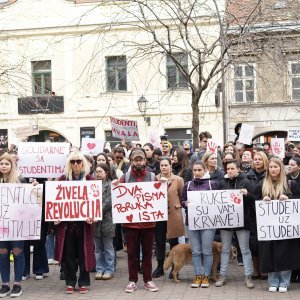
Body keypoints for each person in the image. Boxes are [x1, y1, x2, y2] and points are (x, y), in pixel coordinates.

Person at [255, 158, 300, 292]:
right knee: (269, 255)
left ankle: (284, 282)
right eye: (271, 167)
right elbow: (254, 203)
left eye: (276, 167)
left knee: (285, 254)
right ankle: (273, 282)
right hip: (269, 228)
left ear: (281, 169)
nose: (273, 169)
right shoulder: (261, 185)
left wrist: (289, 199)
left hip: (285, 229)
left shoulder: (290, 185)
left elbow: (298, 202)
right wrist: (262, 200)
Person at [117, 149, 158, 293]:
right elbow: (118, 196)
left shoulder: (153, 177)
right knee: (132, 254)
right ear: (132, 161)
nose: (138, 162)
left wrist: (165, 185)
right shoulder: (125, 177)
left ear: (145, 161)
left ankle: (148, 280)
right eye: (136, 159)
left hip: (148, 223)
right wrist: (116, 186)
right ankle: (132, 280)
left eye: (141, 159)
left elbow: (159, 197)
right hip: (131, 224)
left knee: (147, 253)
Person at [54, 151, 95, 294]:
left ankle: (84, 281)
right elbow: (55, 201)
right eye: (73, 161)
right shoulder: (62, 179)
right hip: (67, 225)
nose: (76, 164)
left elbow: (94, 202)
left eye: (78, 161)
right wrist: (56, 216)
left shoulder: (89, 179)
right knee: (69, 254)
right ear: (69, 164)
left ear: (83, 163)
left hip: (84, 224)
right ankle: (70, 281)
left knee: (84, 253)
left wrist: (93, 216)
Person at [215, 160, 255, 289]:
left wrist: (247, 194)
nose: (230, 171)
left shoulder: (246, 182)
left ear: (238, 169)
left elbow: (253, 201)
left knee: (245, 249)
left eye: (232, 168)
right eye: (228, 169)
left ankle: (248, 276)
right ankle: (222, 275)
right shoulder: (222, 183)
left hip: (242, 221)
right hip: (226, 222)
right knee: (225, 249)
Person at [181, 161, 218, 288]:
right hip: (192, 222)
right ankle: (198, 276)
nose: (196, 173)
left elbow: (218, 201)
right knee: (196, 251)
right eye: (194, 170)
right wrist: (185, 204)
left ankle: (206, 276)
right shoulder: (187, 184)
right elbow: (182, 200)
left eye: (199, 170)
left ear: (204, 170)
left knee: (207, 250)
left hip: (208, 223)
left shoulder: (212, 184)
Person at [152, 157, 185, 279]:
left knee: (173, 242)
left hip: (173, 215)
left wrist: (177, 205)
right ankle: (160, 267)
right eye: (162, 165)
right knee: (159, 242)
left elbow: (182, 196)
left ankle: (174, 269)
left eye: (166, 165)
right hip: (159, 215)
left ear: (171, 166)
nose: (164, 167)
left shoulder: (178, 180)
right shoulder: (154, 179)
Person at [0, 153, 27, 297]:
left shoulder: (20, 180)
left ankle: (17, 284)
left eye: (6, 164)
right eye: (2, 163)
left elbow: (29, 199)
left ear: (12, 165)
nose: (4, 166)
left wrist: (34, 187)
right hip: (1, 226)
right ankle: (5, 284)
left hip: (17, 225)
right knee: (3, 254)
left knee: (18, 253)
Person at [247, 151, 269, 280]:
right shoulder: (247, 176)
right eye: (255, 159)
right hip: (252, 214)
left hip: (267, 213)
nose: (257, 161)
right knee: (254, 243)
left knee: (265, 243)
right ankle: (256, 269)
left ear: (264, 160)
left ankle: (264, 269)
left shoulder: (270, 175)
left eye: (260, 159)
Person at [93, 163, 115, 280]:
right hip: (95, 222)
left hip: (107, 220)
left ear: (106, 172)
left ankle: (109, 269)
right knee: (97, 248)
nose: (98, 174)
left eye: (100, 171)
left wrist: (96, 211)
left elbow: (108, 202)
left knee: (108, 248)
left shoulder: (111, 185)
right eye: (96, 171)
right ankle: (99, 269)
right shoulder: (91, 186)